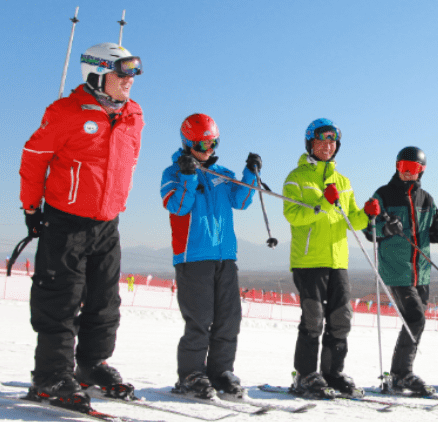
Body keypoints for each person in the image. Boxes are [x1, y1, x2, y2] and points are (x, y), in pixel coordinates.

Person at [19, 43, 144, 403]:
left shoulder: (133, 115)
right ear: (97, 72)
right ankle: (52, 376)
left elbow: (128, 162)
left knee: (105, 300)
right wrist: (32, 208)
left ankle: (90, 363)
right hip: (66, 221)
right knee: (60, 299)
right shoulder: (65, 111)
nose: (129, 80)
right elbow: (34, 158)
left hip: (107, 223)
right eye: (122, 72)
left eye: (134, 72)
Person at [160, 113, 259, 399]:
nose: (208, 150)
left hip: (225, 255)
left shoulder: (223, 174)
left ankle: (220, 372)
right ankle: (191, 374)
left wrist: (250, 173)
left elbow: (241, 201)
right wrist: (189, 177)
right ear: (187, 143)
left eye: (212, 143)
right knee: (200, 319)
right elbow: (178, 206)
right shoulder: (173, 174)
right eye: (201, 144)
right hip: (193, 257)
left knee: (229, 318)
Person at [283, 118, 379, 397]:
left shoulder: (343, 181)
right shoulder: (297, 177)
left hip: (338, 260)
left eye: (332, 141)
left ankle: (332, 373)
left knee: (341, 318)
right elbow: (293, 216)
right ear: (309, 143)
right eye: (321, 140)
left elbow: (352, 221)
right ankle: (306, 376)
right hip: (309, 260)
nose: (327, 146)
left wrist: (367, 213)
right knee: (313, 318)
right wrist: (323, 202)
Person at [363, 146, 438, 394]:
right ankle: (401, 374)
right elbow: (369, 229)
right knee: (415, 317)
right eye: (403, 168)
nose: (408, 173)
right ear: (397, 167)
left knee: (416, 321)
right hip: (397, 269)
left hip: (420, 270)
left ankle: (401, 372)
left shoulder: (427, 199)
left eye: (413, 169)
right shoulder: (384, 194)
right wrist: (384, 229)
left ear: (421, 171)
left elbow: (433, 231)